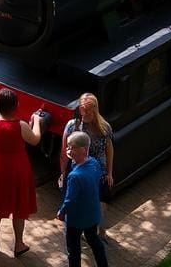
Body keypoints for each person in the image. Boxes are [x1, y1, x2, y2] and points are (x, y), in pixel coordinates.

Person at [0, 88, 44, 257]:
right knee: (19, 205)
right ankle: (18, 244)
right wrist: (36, 121)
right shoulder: (21, 125)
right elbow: (35, 139)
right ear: (16, 105)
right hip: (18, 168)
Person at [60, 93, 114, 240]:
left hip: (99, 171)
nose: (84, 112)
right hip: (77, 170)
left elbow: (109, 150)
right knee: (78, 199)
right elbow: (64, 149)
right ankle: (83, 229)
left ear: (94, 109)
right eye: (82, 109)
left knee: (101, 201)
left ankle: (100, 230)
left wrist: (109, 173)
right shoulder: (72, 125)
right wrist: (63, 172)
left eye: (87, 109)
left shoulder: (104, 127)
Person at [58, 131, 109, 267]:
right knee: (94, 241)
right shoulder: (94, 163)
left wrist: (62, 212)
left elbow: (70, 200)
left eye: (71, 147)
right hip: (92, 215)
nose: (68, 149)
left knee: (73, 249)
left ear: (83, 150)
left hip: (76, 220)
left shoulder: (75, 176)